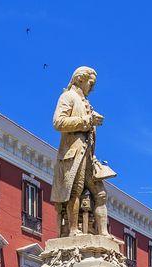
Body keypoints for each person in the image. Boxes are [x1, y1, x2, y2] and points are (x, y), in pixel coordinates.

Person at [50, 66, 110, 237]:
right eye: (91, 83)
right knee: (74, 190)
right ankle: (73, 230)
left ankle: (103, 232)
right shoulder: (68, 97)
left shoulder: (86, 103)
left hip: (88, 156)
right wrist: (87, 120)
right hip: (73, 155)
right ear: (80, 79)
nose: (93, 88)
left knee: (101, 193)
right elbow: (58, 122)